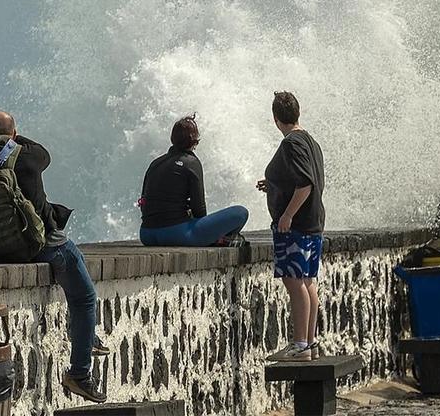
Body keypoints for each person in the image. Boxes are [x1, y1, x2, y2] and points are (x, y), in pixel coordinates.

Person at [0, 110, 109, 402]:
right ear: (14, 133)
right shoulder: (27, 156)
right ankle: (80, 372)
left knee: (74, 261)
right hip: (41, 246)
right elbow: (44, 153)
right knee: (84, 296)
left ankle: (86, 337)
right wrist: (13, 137)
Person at [256, 90, 326, 359]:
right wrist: (273, 184)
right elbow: (305, 179)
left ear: (275, 118)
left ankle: (299, 344)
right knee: (307, 281)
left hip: (296, 226)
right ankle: (310, 343)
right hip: (313, 222)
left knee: (294, 281)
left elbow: (306, 184)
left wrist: (287, 215)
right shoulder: (311, 141)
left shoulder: (291, 144)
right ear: (298, 112)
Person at [138, 115, 249, 247]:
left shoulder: (155, 163)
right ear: (194, 140)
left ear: (172, 138)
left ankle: (219, 238)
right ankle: (219, 239)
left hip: (146, 234)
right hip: (177, 234)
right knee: (240, 212)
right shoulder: (191, 162)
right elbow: (200, 210)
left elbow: (144, 203)